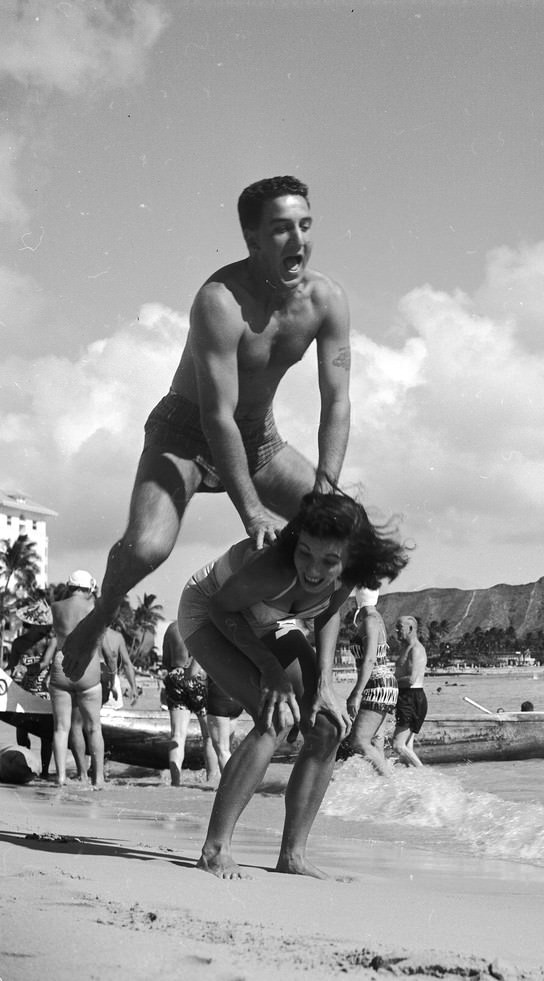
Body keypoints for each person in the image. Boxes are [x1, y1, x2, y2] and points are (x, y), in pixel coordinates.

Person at [61, 175, 352, 679]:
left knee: (353, 530)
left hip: (259, 438)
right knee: (148, 547)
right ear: (253, 239)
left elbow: (338, 400)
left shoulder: (326, 300)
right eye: (282, 229)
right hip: (185, 434)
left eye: (305, 226)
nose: (299, 241)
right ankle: (103, 613)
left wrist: (326, 488)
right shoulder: (219, 300)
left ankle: (313, 660)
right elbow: (216, 417)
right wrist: (253, 513)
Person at [180, 490, 409, 879]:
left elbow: (329, 614)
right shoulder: (272, 567)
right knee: (276, 717)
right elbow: (221, 608)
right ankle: (214, 850)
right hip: (210, 612)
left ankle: (293, 857)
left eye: (329, 561)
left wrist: (323, 684)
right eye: (305, 553)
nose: (314, 570)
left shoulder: (349, 571)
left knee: (328, 727)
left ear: (350, 557)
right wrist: (269, 670)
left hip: (269, 619)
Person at [41, 571, 106, 787]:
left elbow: (48, 634)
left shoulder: (56, 607)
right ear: (89, 587)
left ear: (70, 586)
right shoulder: (94, 607)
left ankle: (60, 778)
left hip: (61, 665)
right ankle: (98, 779)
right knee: (94, 727)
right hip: (87, 667)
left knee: (61, 728)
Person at [345, 588, 397, 775]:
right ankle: (382, 786)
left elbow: (369, 659)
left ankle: (392, 784)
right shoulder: (374, 619)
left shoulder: (370, 620)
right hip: (380, 683)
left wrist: (356, 693)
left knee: (359, 741)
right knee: (376, 740)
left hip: (378, 684)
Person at [161, 620, 219, 785]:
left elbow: (166, 661)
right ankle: (212, 779)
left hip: (176, 677)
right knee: (208, 735)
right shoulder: (202, 625)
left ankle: (175, 782)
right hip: (199, 678)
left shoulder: (172, 628)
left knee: (177, 734)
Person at [9, 600, 54, 776]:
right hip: (23, 692)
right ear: (33, 624)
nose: (45, 629)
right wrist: (13, 671)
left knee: (46, 736)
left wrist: (24, 668)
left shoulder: (50, 641)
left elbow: (44, 664)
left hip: (44, 693)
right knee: (22, 732)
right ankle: (25, 765)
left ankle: (44, 771)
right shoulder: (18, 644)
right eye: (42, 626)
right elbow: (11, 669)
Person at [391, 615, 427, 767]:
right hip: (406, 697)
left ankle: (426, 777)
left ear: (411, 629)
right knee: (407, 748)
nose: (396, 630)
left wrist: (390, 682)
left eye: (400, 627)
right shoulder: (406, 648)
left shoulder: (416, 649)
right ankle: (412, 783)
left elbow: (412, 679)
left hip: (412, 698)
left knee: (398, 746)